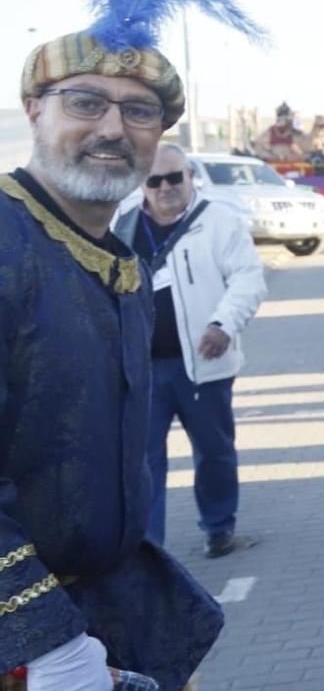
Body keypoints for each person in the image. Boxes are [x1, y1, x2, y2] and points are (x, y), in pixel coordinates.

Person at [0, 0, 249, 691]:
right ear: (34, 113)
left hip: (114, 626)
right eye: (85, 104)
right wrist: (38, 635)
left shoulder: (120, 244)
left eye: (138, 112)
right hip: (25, 638)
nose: (112, 128)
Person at [114, 144, 268, 559]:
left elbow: (248, 280)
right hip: (142, 369)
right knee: (143, 463)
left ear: (190, 176)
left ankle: (219, 528)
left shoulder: (219, 223)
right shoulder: (122, 227)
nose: (166, 188)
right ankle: (150, 552)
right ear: (142, 185)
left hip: (203, 363)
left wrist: (224, 325)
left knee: (214, 452)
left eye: (174, 178)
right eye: (155, 181)